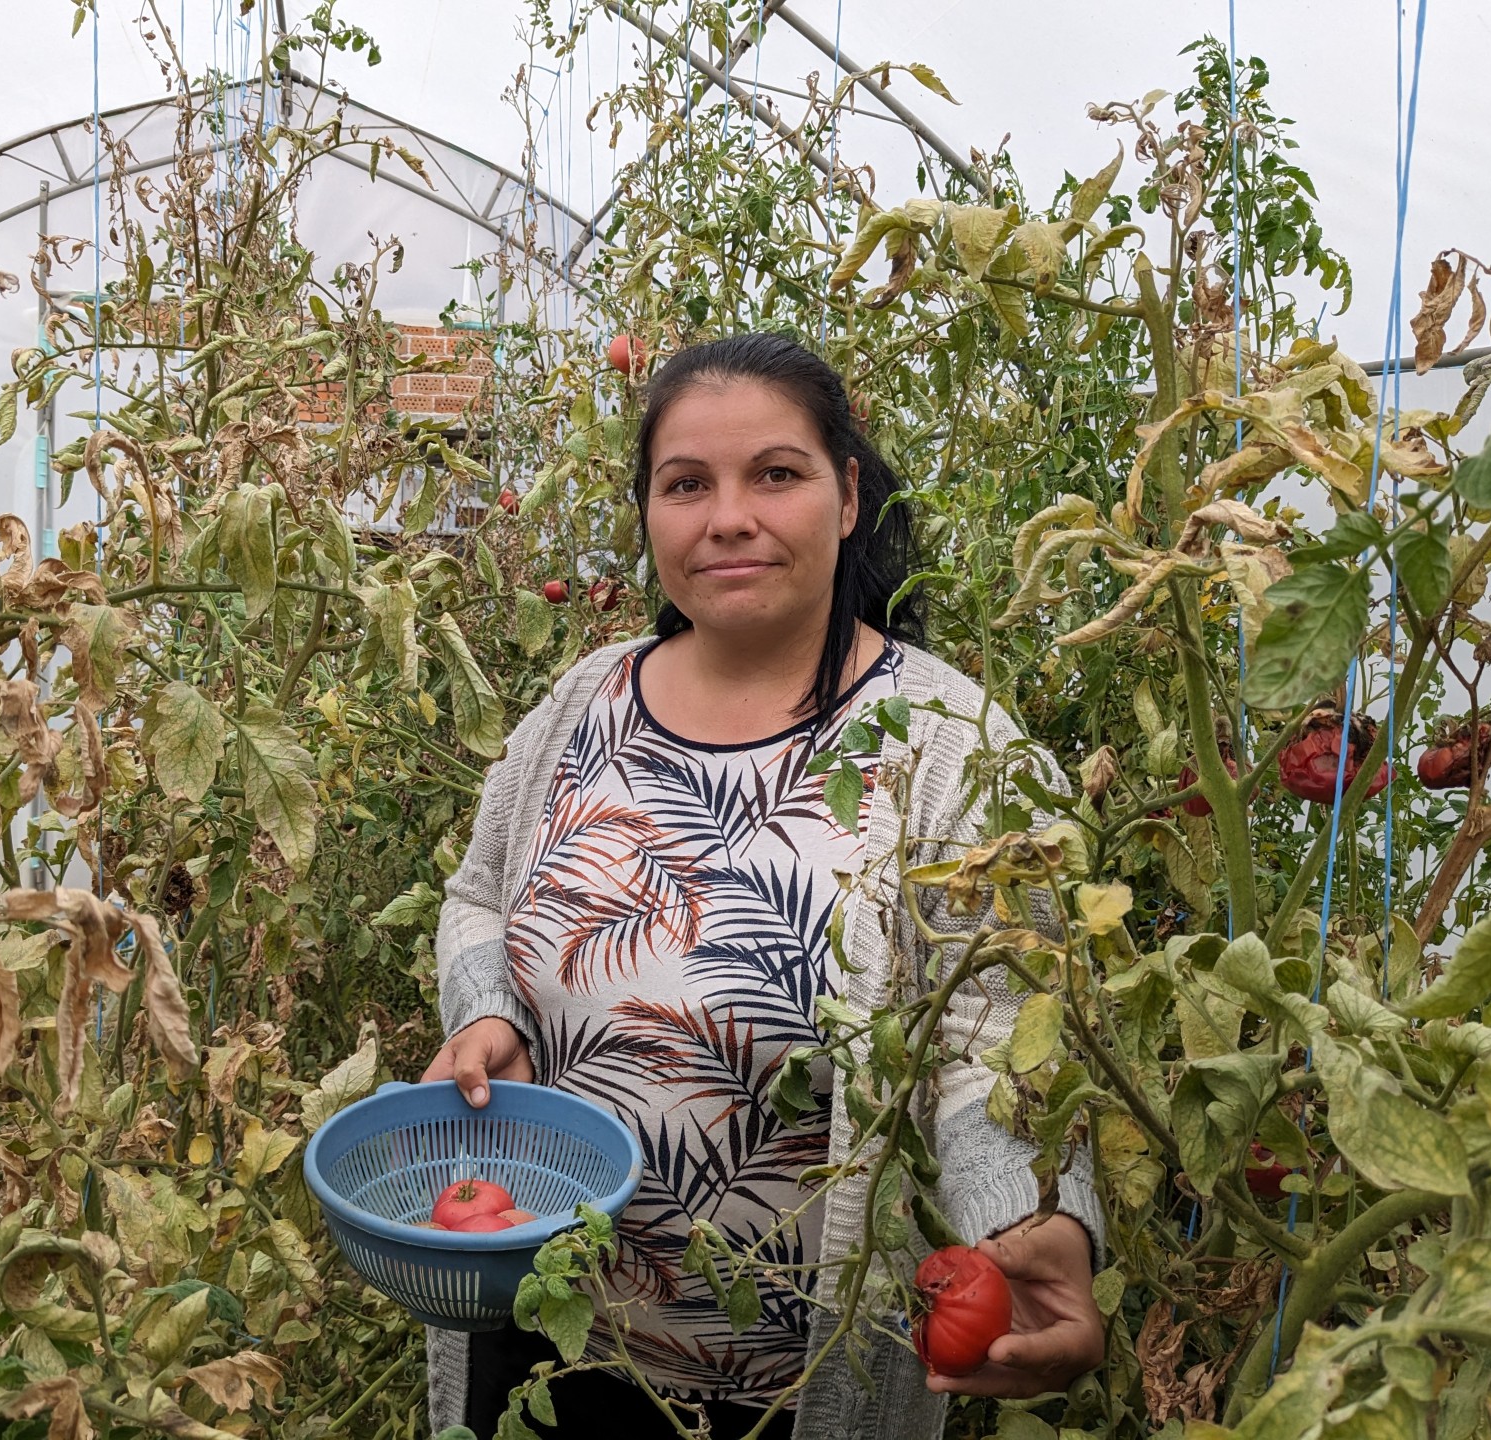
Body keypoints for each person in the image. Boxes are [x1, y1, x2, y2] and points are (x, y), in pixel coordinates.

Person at [421, 334, 1106, 1439]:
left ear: (846, 498)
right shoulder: (584, 702)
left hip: (798, 1392)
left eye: (775, 475)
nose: (727, 516)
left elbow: (1002, 1036)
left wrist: (1032, 1217)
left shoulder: (952, 746)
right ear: (648, 514)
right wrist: (488, 1012)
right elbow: (479, 900)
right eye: (686, 484)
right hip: (541, 1344)